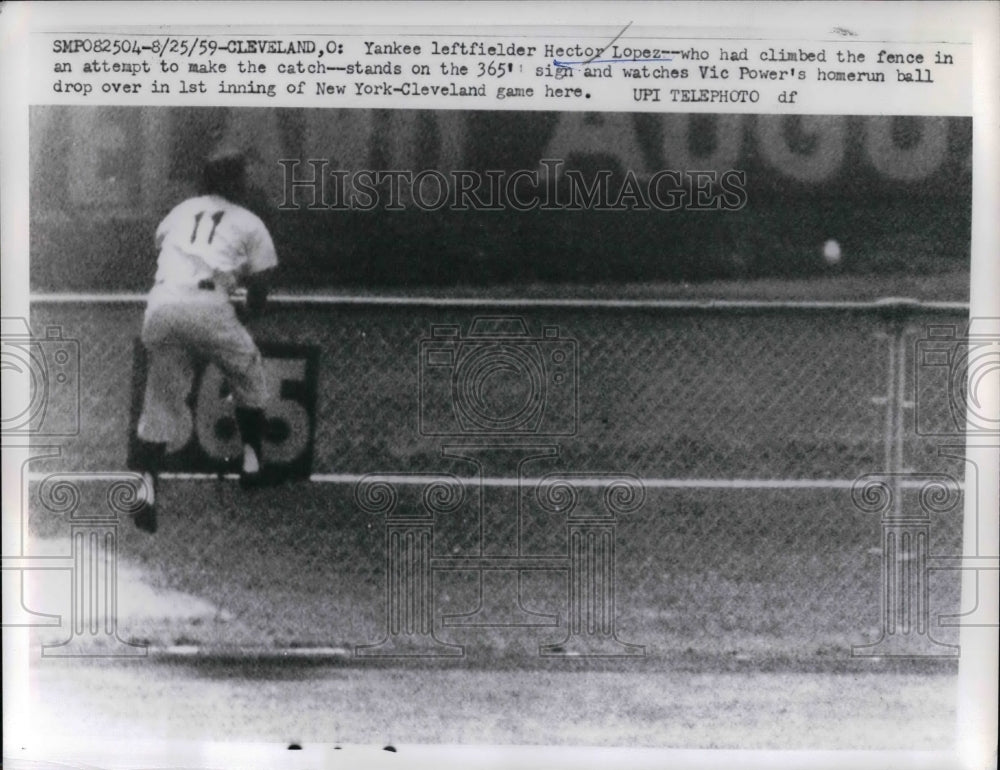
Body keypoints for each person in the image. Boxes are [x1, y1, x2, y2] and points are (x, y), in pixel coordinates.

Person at [132, 148, 278, 533]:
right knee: (249, 374)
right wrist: (243, 313)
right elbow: (261, 287)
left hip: (163, 302)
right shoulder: (249, 221)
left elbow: (159, 243)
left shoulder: (182, 210)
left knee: (160, 402)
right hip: (209, 303)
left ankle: (146, 487)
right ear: (229, 181)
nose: (246, 183)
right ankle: (251, 460)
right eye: (241, 176)